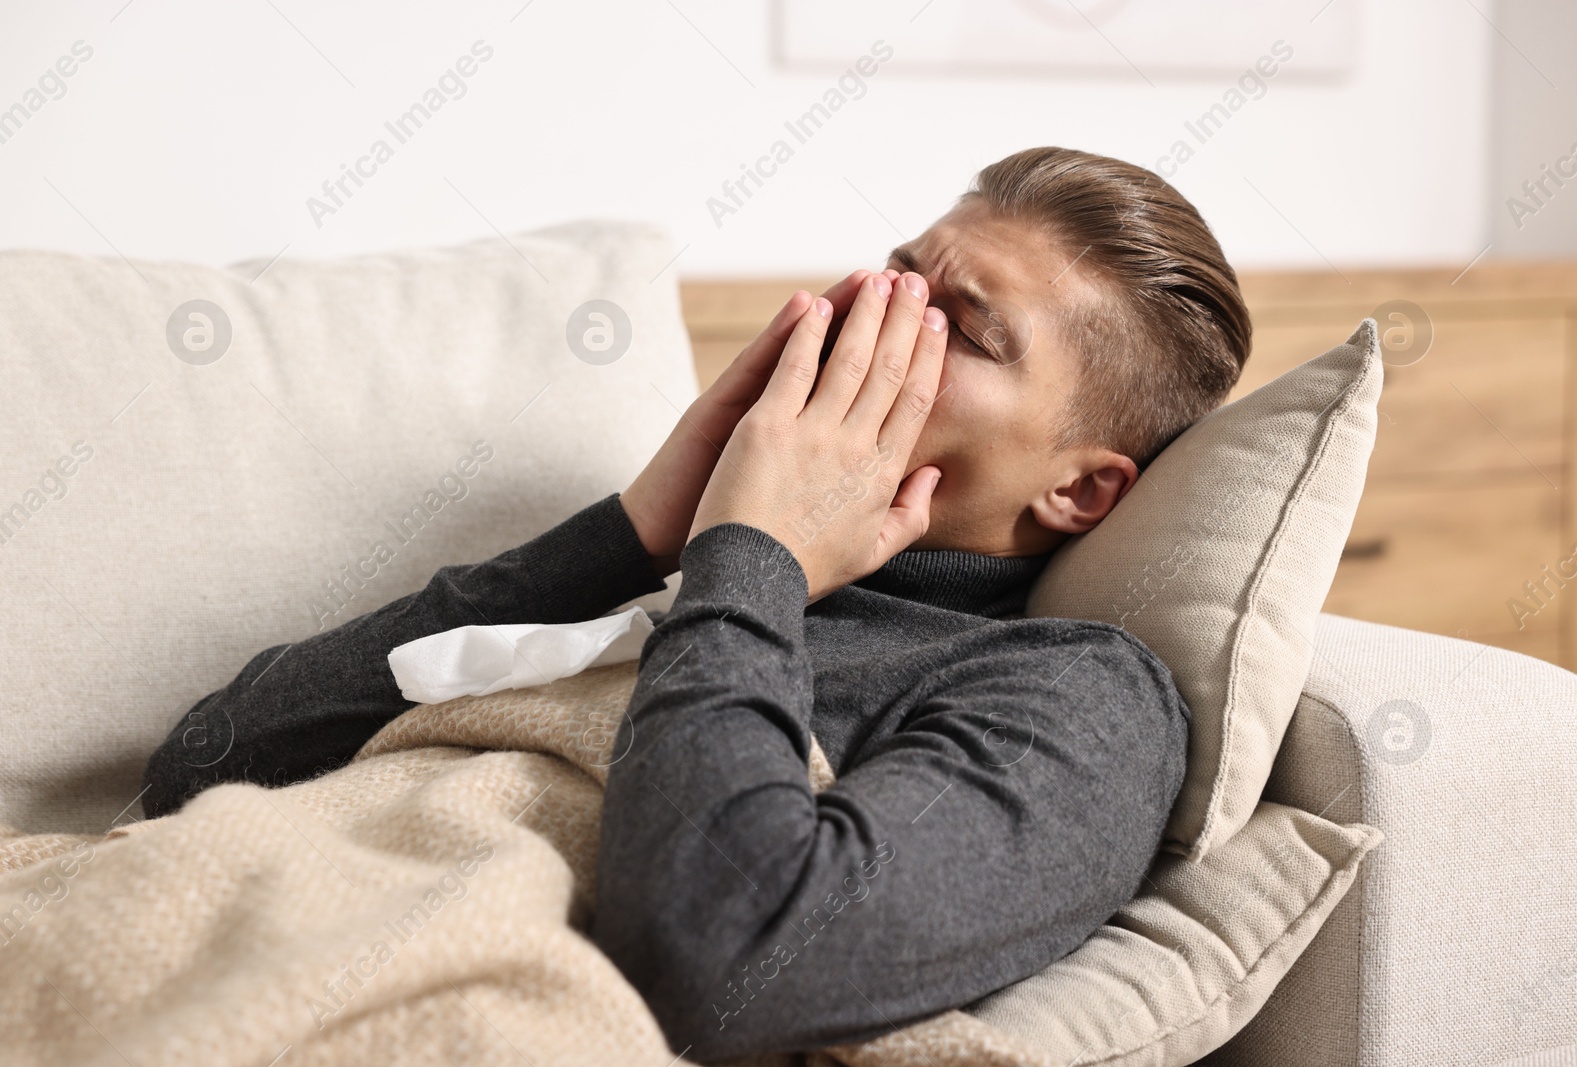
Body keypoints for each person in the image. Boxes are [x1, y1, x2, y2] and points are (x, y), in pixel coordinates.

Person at [143, 146, 1251, 1060]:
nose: (867, 316)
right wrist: (635, 533)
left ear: (1077, 487)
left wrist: (752, 552)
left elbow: (728, 960)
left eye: (959, 326)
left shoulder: (1081, 692)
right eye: (894, 275)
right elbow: (203, 761)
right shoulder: (696, 579)